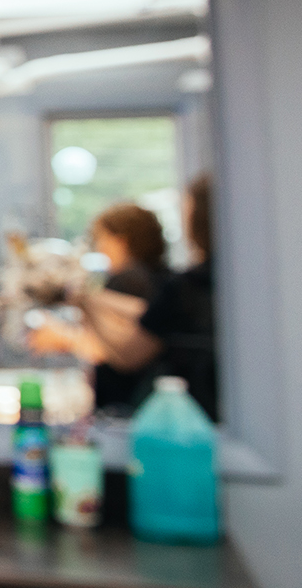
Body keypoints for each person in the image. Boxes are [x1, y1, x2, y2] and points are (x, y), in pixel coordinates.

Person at [70, 178, 219, 421]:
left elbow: (127, 352)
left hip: (151, 406)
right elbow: (147, 313)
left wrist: (84, 304)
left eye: (101, 238)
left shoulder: (174, 285)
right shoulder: (167, 278)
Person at [86, 203, 170, 410]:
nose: (100, 247)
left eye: (101, 238)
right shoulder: (163, 279)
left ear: (120, 241)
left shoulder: (125, 281)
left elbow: (106, 347)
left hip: (124, 395)